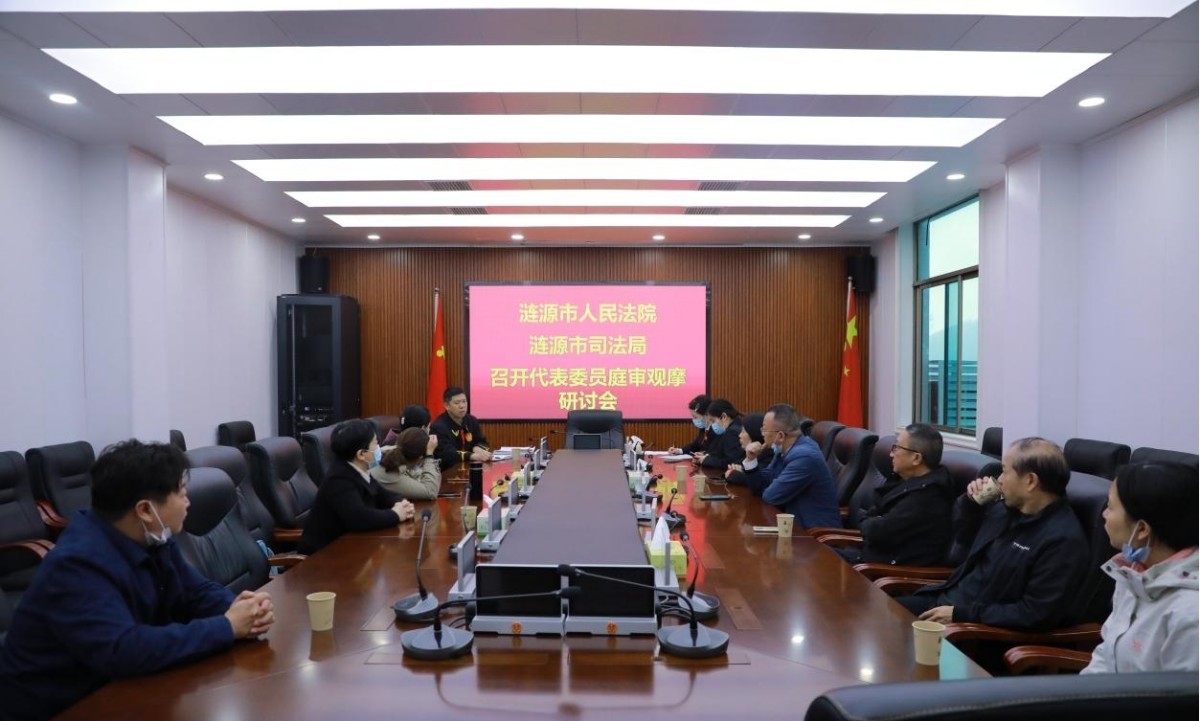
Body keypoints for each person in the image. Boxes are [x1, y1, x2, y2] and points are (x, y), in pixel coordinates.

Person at [0, 440, 274, 721]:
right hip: (61, 708)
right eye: (181, 494)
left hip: (121, 689)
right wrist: (226, 627)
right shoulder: (77, 565)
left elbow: (195, 591)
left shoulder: (151, 537)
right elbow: (124, 650)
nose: (188, 502)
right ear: (145, 510)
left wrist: (243, 609)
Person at [897, 437, 1089, 631]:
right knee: (884, 612)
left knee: (890, 632)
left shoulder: (1063, 541)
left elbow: (1034, 613)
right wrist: (971, 504)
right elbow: (963, 542)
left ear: (1030, 481)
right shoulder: (1004, 510)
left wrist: (962, 615)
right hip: (944, 602)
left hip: (972, 630)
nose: (1000, 480)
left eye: (1005, 471)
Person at [1081, 462, 1198, 673]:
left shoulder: (1190, 613)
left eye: (1110, 507)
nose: (1104, 514)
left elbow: (1181, 693)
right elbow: (1107, 654)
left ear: (1142, 529)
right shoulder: (1134, 573)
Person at [837, 424, 955, 566]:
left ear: (916, 458)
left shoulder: (927, 497)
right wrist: (871, 521)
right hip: (867, 558)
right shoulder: (905, 481)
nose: (891, 454)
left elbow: (877, 532)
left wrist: (871, 521)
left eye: (897, 448)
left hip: (880, 571)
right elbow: (871, 517)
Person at [299, 419, 416, 554]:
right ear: (361, 454)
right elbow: (360, 518)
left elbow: (383, 494)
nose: (379, 448)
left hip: (351, 545)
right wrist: (395, 515)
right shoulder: (339, 479)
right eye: (376, 444)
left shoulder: (358, 470)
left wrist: (402, 504)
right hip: (324, 554)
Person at [741, 403, 840, 530]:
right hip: (793, 526)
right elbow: (762, 484)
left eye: (764, 430)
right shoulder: (784, 449)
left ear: (780, 436)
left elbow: (770, 496)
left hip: (813, 533)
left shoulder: (804, 457)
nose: (762, 434)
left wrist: (768, 485)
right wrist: (751, 460)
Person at [372, 427, 442, 501]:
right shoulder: (393, 474)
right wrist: (429, 456)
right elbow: (431, 491)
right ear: (420, 458)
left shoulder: (391, 453)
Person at [430, 387, 491, 469]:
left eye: (464, 401)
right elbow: (447, 453)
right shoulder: (438, 427)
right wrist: (472, 456)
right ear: (447, 406)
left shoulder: (471, 420)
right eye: (457, 403)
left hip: (470, 468)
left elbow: (483, 442)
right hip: (448, 471)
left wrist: (476, 448)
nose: (462, 406)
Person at [692, 398, 744, 469]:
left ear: (724, 417)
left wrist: (705, 460)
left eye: (713, 421)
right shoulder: (736, 425)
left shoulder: (732, 432)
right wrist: (706, 456)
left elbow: (731, 462)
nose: (711, 424)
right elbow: (721, 453)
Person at [725, 411, 775, 485]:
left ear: (753, 434)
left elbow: (757, 480)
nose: (739, 435)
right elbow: (734, 465)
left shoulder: (769, 456)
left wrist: (734, 473)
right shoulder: (746, 453)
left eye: (743, 432)